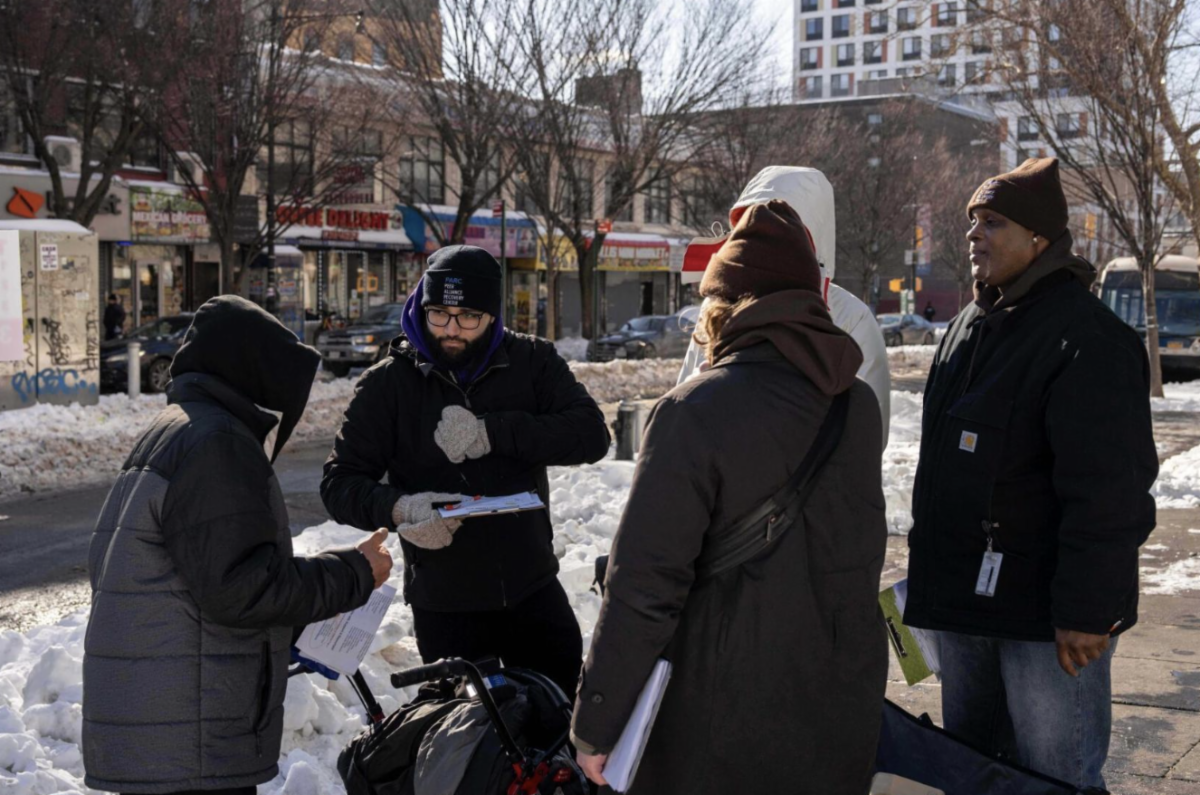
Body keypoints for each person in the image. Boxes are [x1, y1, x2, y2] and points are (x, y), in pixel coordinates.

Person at [572, 201, 889, 794]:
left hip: (721, 717)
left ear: (723, 306)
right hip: (837, 710)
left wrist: (596, 724)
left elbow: (644, 585)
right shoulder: (857, 406)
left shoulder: (692, 411)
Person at [903, 158, 1158, 790]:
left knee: (1057, 778)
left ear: (1040, 239)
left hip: (1047, 625)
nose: (974, 234)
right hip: (965, 610)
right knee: (971, 771)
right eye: (972, 221)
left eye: (993, 222)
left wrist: (1089, 611)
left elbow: (1109, 494)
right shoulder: (966, 327)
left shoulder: (1087, 337)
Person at [83, 295, 393, 795]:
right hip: (189, 733)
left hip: (164, 722)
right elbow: (241, 588)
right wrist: (354, 573)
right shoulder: (218, 443)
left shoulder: (178, 429)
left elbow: (203, 573)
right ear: (255, 376)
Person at [321, 245, 610, 698]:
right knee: (465, 732)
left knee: (558, 718)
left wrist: (493, 432)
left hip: (532, 589)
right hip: (446, 606)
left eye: (468, 317)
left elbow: (592, 436)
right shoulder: (387, 385)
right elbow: (339, 483)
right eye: (439, 313)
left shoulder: (532, 362)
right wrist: (401, 509)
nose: (451, 329)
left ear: (493, 315)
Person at [677, 166, 891, 442]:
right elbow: (683, 406)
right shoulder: (716, 306)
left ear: (812, 238)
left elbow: (868, 433)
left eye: (784, 225)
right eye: (753, 222)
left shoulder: (851, 317)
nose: (766, 235)